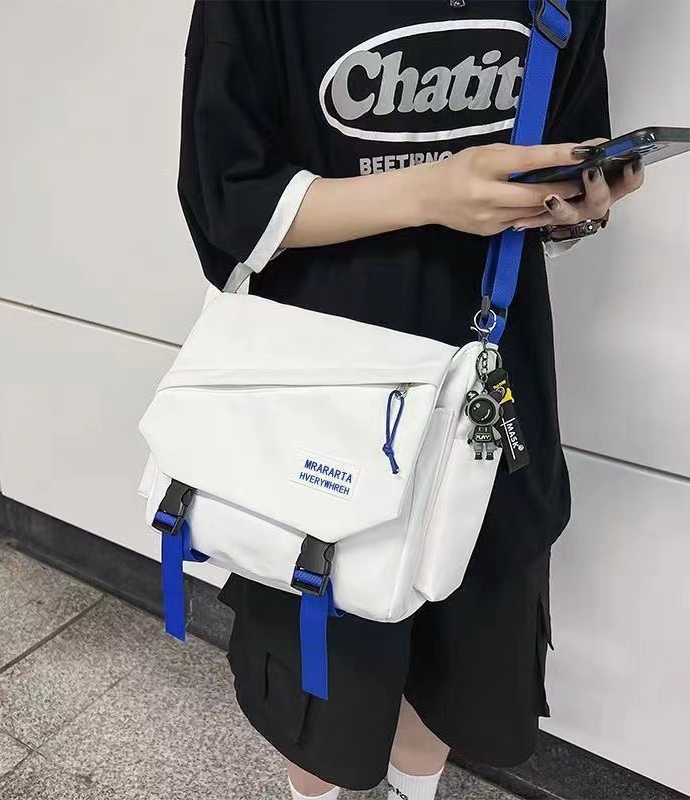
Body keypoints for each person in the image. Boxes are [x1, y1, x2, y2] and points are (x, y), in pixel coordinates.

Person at [177, 2, 644, 799]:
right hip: (326, 398)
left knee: (458, 657)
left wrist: (573, 205)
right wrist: (429, 192)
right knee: (323, 681)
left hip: (493, 390)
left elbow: (557, 159)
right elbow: (228, 198)